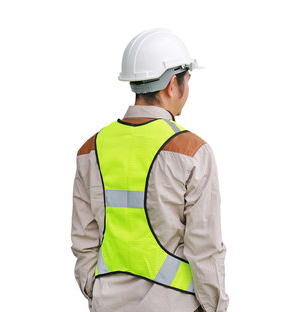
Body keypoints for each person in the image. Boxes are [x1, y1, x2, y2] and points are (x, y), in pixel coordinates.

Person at [71, 28, 229, 312]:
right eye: (187, 81)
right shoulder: (191, 151)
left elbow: (84, 240)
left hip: (108, 304)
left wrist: (95, 293)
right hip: (175, 304)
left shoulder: (91, 149)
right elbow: (205, 247)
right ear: (172, 84)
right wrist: (214, 306)